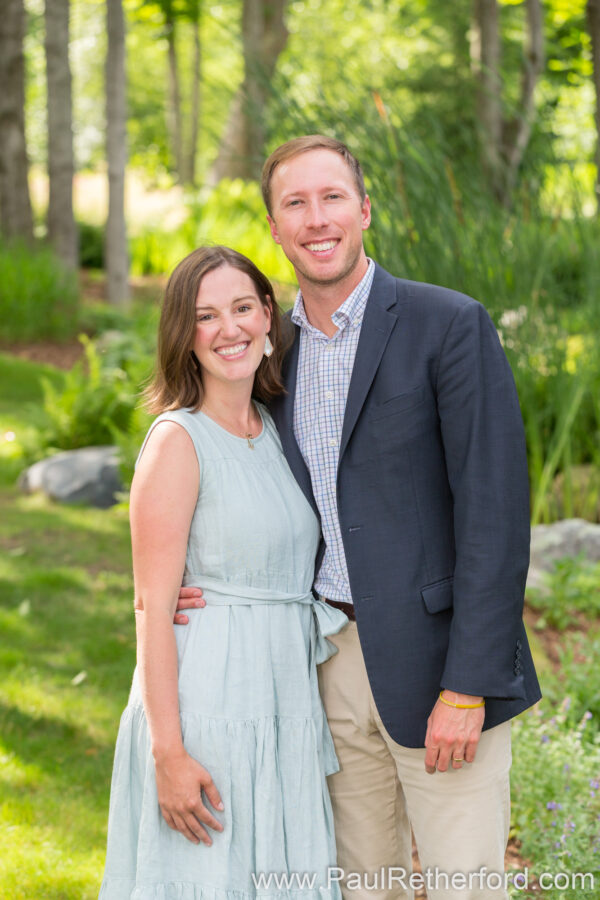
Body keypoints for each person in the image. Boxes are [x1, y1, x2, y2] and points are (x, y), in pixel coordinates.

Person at [176, 137, 541, 900]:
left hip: (442, 667)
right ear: (274, 227)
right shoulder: (267, 352)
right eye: (295, 204)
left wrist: (469, 685)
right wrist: (187, 579)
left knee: (463, 887)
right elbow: (228, 474)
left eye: (332, 197)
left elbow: (495, 515)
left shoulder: (448, 325)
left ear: (364, 210)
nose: (317, 219)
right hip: (325, 667)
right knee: (358, 887)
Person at [99, 245, 348, 899]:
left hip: (286, 701)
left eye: (242, 307)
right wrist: (168, 752)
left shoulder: (274, 428)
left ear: (269, 315)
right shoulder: (177, 440)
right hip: (210, 703)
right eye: (206, 316)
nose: (229, 329)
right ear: (185, 336)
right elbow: (152, 609)